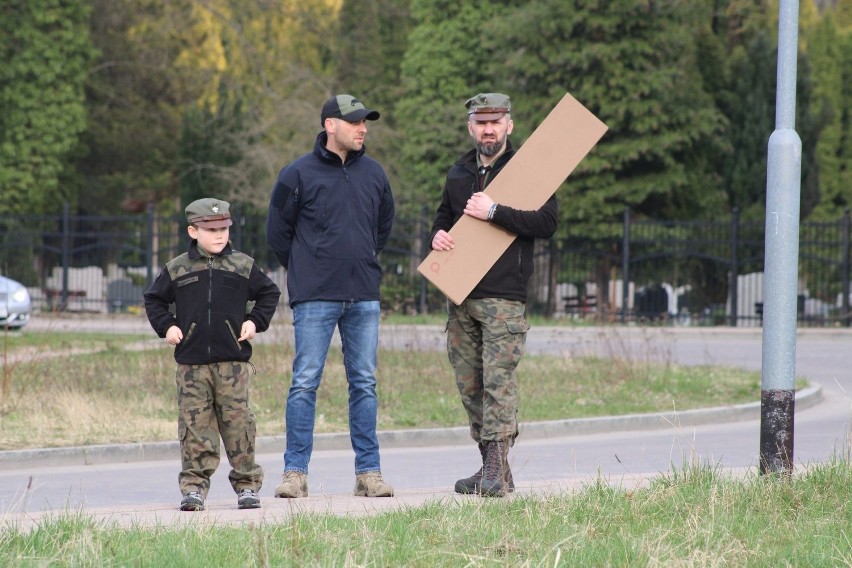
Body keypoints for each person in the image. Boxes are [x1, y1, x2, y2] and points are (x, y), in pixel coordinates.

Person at [266, 94, 396, 498]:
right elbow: (277, 233)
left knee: (365, 383)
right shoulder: (297, 174)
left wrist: (359, 260)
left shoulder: (374, 174)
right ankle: (294, 474)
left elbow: (384, 226)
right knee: (305, 382)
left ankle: (368, 473)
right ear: (330, 125)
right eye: (355, 122)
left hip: (363, 294)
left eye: (365, 122)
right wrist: (309, 266)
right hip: (315, 295)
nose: (363, 128)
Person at [429, 93, 558, 497]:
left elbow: (547, 221)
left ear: (509, 126)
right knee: (470, 385)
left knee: (498, 384)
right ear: (471, 127)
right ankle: (493, 470)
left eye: (496, 122)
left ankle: (495, 474)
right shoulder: (459, 172)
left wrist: (495, 211)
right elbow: (444, 215)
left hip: (504, 297)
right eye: (481, 122)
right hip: (462, 295)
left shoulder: (527, 171)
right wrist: (438, 234)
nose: (488, 129)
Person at [144, 198, 281, 511]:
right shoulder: (178, 268)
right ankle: (193, 488)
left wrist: (254, 321)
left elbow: (268, 293)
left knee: (238, 425)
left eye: (224, 228)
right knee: (195, 426)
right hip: (191, 366)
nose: (219, 235)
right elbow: (154, 300)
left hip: (232, 363)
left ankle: (247, 485)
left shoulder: (242, 266)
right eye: (211, 229)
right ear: (193, 231)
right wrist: (167, 327)